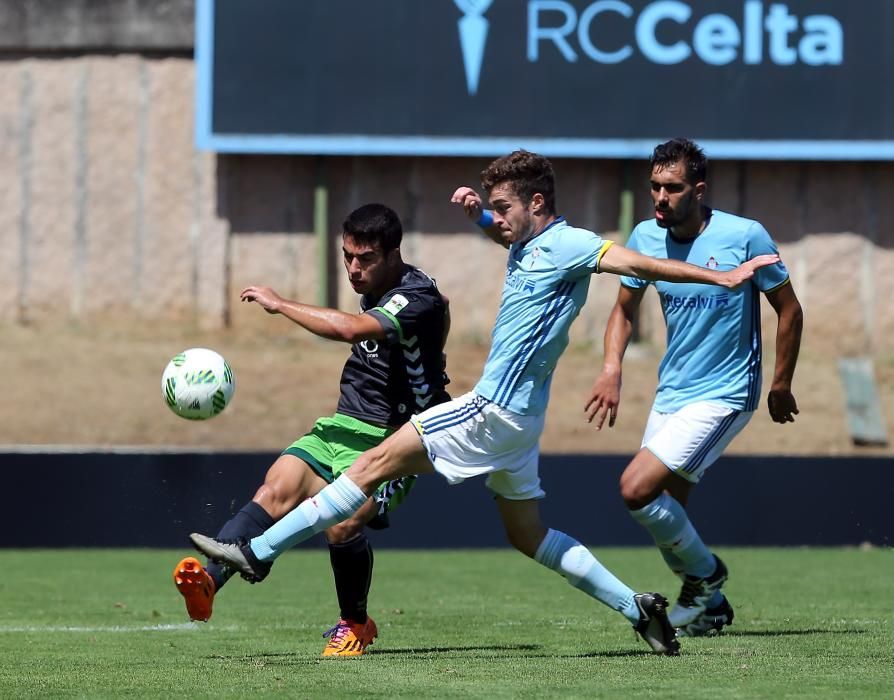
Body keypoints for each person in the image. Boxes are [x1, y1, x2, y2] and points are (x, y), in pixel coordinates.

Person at [190, 149, 779, 657]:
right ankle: (636, 607)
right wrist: (479, 217)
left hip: (491, 408)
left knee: (367, 470)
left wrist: (719, 280)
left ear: (538, 204)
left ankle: (255, 551)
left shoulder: (571, 244)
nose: (499, 217)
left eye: (505, 206)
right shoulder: (527, 239)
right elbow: (501, 230)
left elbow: (637, 261)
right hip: (520, 426)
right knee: (529, 537)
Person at [173, 202, 451, 657]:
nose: (354, 269)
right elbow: (443, 310)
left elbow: (352, 331)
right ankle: (209, 581)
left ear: (394, 254)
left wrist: (281, 304)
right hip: (343, 423)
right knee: (274, 490)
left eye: (365, 259)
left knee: (342, 526)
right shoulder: (394, 291)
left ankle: (356, 624)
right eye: (347, 257)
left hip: (397, 438)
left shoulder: (414, 295)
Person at [584, 138, 803, 637]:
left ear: (698, 190)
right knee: (669, 509)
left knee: (635, 489)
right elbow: (624, 309)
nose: (660, 197)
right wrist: (612, 368)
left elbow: (789, 309)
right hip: (672, 392)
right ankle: (711, 605)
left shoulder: (745, 236)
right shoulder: (644, 235)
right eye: (655, 187)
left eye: (673, 188)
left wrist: (781, 382)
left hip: (727, 392)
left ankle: (707, 577)